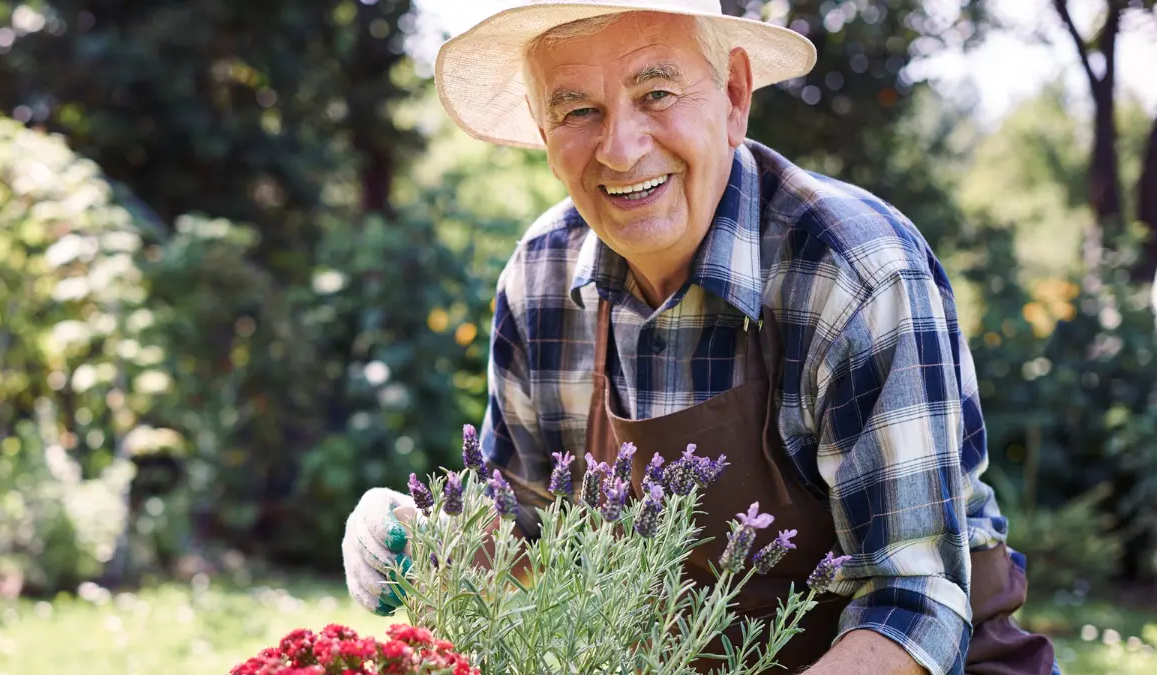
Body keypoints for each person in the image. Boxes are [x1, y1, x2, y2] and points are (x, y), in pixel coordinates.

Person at [342, 2, 1057, 673]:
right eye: (577, 109)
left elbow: (912, 605)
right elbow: (528, 534)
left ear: (735, 96)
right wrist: (426, 533)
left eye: (656, 93)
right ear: (541, 127)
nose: (620, 149)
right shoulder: (540, 278)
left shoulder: (854, 270)